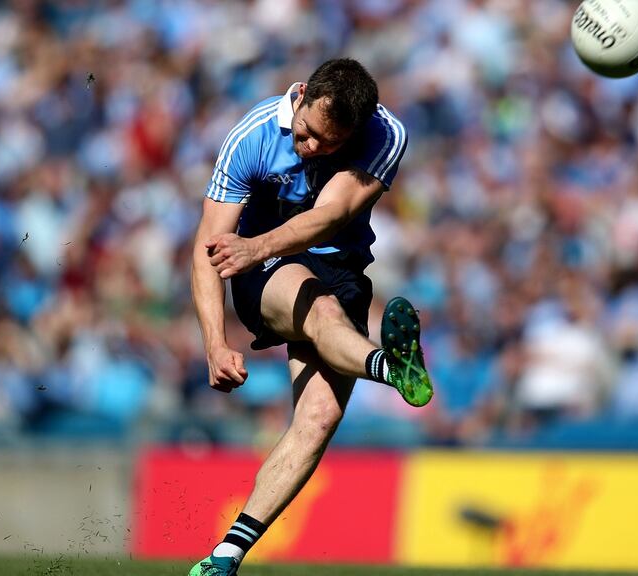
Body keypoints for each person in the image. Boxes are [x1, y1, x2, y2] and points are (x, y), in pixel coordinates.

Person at [188, 58, 433, 575]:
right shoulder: (251, 136)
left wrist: (258, 245)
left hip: (333, 264)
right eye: (306, 133)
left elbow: (330, 216)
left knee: (319, 419)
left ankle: (223, 558)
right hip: (263, 270)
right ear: (299, 96)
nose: (312, 148)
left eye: (329, 142)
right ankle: (392, 369)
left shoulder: (386, 136)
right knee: (320, 310)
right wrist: (214, 341)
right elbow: (207, 248)